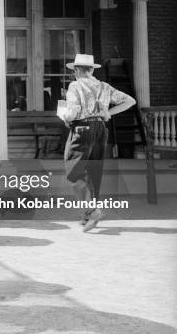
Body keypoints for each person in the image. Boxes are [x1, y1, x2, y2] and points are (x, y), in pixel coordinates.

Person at [57, 54, 136, 232]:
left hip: (81, 129)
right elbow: (130, 101)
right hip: (100, 130)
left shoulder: (74, 86)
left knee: (74, 170)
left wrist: (65, 117)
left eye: (74, 71)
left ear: (77, 70)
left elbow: (74, 110)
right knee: (94, 171)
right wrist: (108, 113)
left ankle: (92, 211)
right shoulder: (104, 86)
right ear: (92, 70)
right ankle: (89, 215)